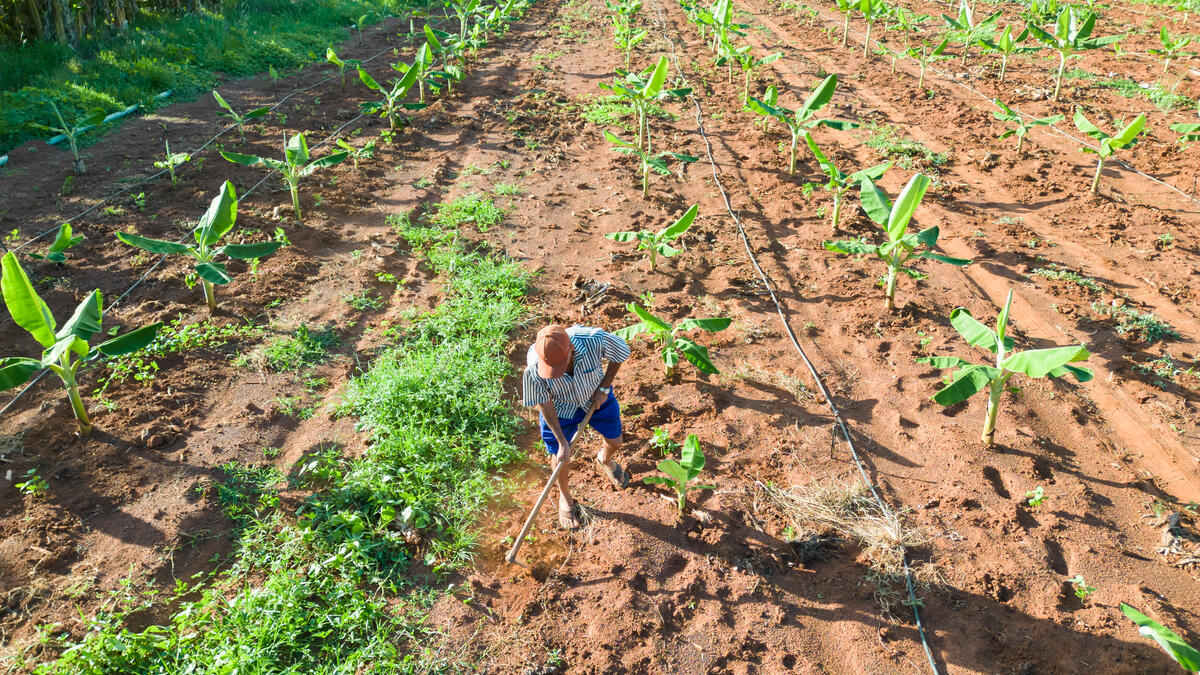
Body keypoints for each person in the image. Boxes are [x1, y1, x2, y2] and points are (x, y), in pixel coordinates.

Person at [522, 324, 631, 529]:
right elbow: (543, 403)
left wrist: (604, 386)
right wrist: (562, 442)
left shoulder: (592, 339)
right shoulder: (534, 368)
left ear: (571, 347)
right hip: (560, 408)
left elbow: (620, 352)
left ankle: (604, 459)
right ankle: (565, 497)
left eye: (559, 365)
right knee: (560, 457)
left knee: (615, 440)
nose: (555, 372)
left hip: (596, 395)